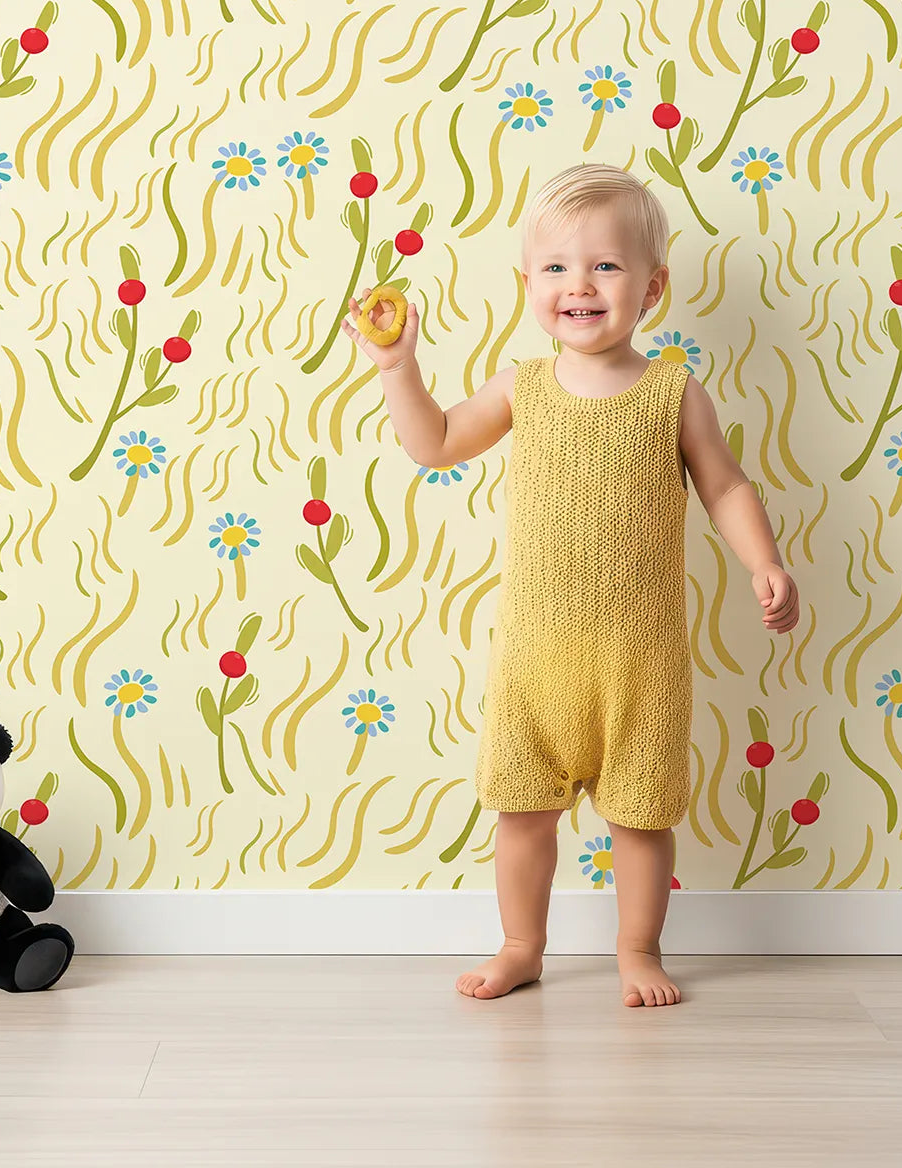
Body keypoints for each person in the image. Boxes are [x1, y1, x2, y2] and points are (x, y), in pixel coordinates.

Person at [341, 162, 800, 1008]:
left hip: (642, 660)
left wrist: (763, 561)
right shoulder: (523, 388)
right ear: (526, 284)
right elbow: (435, 443)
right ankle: (522, 944)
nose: (579, 286)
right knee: (521, 815)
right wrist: (396, 367)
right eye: (555, 268)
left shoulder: (673, 392)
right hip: (537, 659)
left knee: (642, 817)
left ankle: (638, 949)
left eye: (606, 267)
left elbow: (726, 486)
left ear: (652, 288)